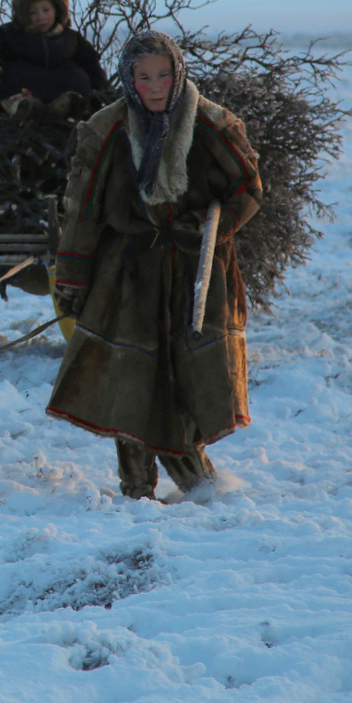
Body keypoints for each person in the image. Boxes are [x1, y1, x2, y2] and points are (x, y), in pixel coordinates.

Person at [46, 29, 263, 499]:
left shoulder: (212, 125)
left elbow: (248, 188)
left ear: (178, 72)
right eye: (144, 77)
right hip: (128, 273)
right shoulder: (106, 131)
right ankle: (138, 488)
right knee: (133, 379)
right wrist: (72, 278)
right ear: (129, 78)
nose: (156, 86)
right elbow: (82, 211)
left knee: (186, 380)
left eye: (164, 74)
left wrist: (211, 229)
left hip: (195, 274)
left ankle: (197, 483)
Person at [0, 0, 109, 122]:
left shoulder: (71, 38)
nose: (40, 17)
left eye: (45, 10)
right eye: (33, 12)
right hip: (26, 88)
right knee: (12, 79)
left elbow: (91, 63)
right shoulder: (9, 33)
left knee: (78, 78)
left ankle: (69, 106)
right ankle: (25, 107)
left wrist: (101, 89)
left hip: (63, 89)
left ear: (57, 9)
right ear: (23, 14)